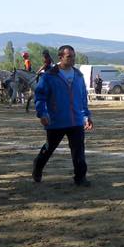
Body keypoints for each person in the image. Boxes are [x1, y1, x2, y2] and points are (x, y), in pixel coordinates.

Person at [32, 45, 93, 186]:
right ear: (60, 57)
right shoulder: (49, 76)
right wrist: (42, 113)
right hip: (56, 120)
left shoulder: (78, 75)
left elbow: (83, 97)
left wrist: (86, 115)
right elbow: (40, 96)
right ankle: (38, 166)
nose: (72, 59)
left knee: (78, 150)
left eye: (73, 56)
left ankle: (80, 177)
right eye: (69, 56)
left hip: (76, 120)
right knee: (49, 148)